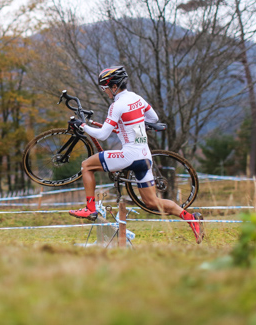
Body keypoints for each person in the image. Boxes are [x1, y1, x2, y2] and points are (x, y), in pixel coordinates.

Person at [68, 66, 205, 244]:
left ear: (114, 86)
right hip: (144, 157)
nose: (106, 92)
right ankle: (191, 218)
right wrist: (135, 126)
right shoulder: (137, 98)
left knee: (87, 165)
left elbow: (102, 135)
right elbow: (153, 118)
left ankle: (90, 208)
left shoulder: (116, 105)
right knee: (152, 202)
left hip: (129, 156)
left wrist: (82, 126)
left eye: (105, 88)